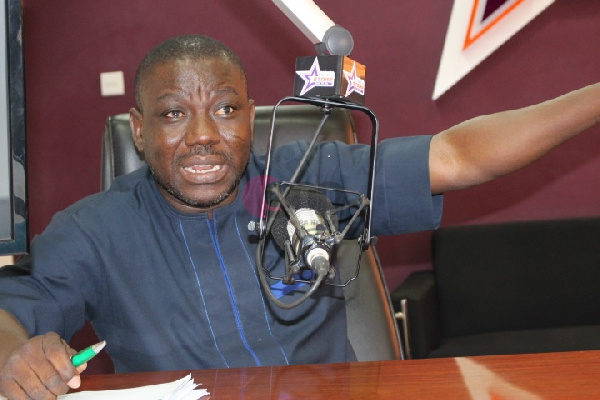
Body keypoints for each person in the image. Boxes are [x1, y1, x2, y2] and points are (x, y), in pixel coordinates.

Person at [0, 34, 598, 399]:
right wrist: (15, 355)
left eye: (225, 110)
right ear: (139, 129)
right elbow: (9, 314)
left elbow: (459, 156)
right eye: (174, 114)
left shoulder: (309, 177)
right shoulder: (92, 230)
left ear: (251, 115)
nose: (203, 135)